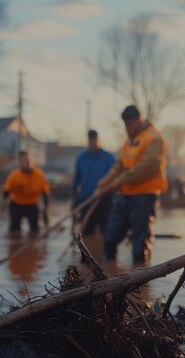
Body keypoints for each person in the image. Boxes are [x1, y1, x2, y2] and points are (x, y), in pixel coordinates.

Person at [96, 105, 168, 264]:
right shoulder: (130, 139)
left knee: (140, 241)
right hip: (125, 194)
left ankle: (140, 278)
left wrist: (115, 184)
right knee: (110, 236)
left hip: (145, 195)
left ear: (138, 120)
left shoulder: (153, 138)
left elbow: (142, 169)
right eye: (125, 124)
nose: (127, 128)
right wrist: (104, 182)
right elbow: (119, 165)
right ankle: (108, 270)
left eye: (129, 124)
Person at [72, 129, 116, 235]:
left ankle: (103, 250)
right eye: (90, 140)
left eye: (94, 140)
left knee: (106, 232)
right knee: (86, 233)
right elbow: (76, 179)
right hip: (86, 200)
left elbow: (115, 177)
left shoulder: (108, 158)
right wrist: (75, 200)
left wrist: (112, 195)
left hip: (105, 200)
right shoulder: (82, 158)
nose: (93, 143)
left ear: (98, 140)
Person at [1, 151, 50, 233]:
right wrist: (3, 200)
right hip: (16, 204)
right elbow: (6, 190)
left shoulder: (40, 175)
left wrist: (46, 209)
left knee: (35, 229)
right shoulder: (14, 175)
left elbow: (45, 193)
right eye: (24, 160)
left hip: (32, 205)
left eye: (29, 160)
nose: (27, 162)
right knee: (14, 229)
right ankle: (15, 243)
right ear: (20, 162)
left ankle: (33, 244)